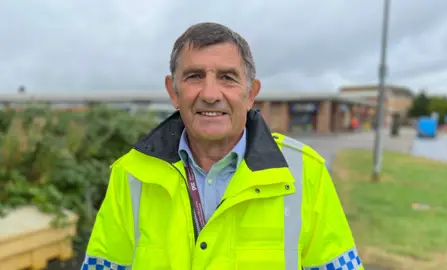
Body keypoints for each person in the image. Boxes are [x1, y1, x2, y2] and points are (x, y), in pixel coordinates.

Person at [82, 22, 363, 270]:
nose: (211, 94)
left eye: (227, 78)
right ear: (173, 92)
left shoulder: (305, 174)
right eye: (194, 76)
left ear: (251, 94)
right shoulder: (132, 174)